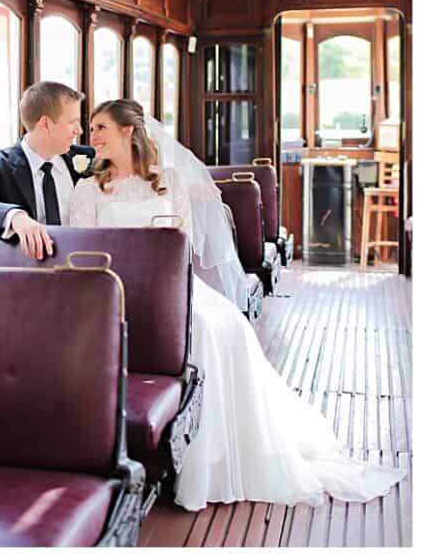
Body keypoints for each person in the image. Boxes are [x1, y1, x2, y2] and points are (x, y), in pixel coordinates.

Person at [69, 99, 405, 511]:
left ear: (127, 131)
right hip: (116, 293)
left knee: (224, 326)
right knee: (206, 332)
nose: (92, 137)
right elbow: (83, 248)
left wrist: (164, 282)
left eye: (100, 127)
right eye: (90, 128)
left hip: (171, 286)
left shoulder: (169, 182)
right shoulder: (87, 189)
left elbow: (182, 244)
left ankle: (213, 454)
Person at [0, 81, 95, 259]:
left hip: (88, 265)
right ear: (46, 124)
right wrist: (16, 217)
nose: (79, 130)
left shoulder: (88, 157)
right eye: (73, 122)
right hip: (32, 271)